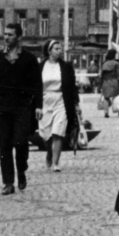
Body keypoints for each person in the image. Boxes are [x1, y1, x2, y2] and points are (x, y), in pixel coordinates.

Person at [0, 24, 42, 195]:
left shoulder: (29, 59)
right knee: (4, 145)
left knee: (21, 142)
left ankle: (21, 169)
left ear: (19, 37)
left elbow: (37, 84)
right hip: (2, 107)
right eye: (5, 34)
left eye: (10, 34)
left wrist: (38, 105)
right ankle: (8, 182)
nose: (6, 37)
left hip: (22, 107)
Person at [39, 40, 80, 173]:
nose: (59, 51)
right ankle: (49, 153)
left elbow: (73, 87)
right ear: (49, 50)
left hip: (61, 100)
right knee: (46, 133)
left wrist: (76, 103)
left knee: (58, 131)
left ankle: (56, 162)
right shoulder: (40, 66)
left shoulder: (66, 66)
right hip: (45, 100)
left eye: (60, 48)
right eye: (56, 48)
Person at [99, 47, 119, 117]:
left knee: (106, 97)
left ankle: (106, 113)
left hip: (105, 82)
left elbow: (101, 75)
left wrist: (100, 84)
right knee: (116, 97)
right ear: (114, 55)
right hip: (114, 81)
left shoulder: (104, 63)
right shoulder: (116, 63)